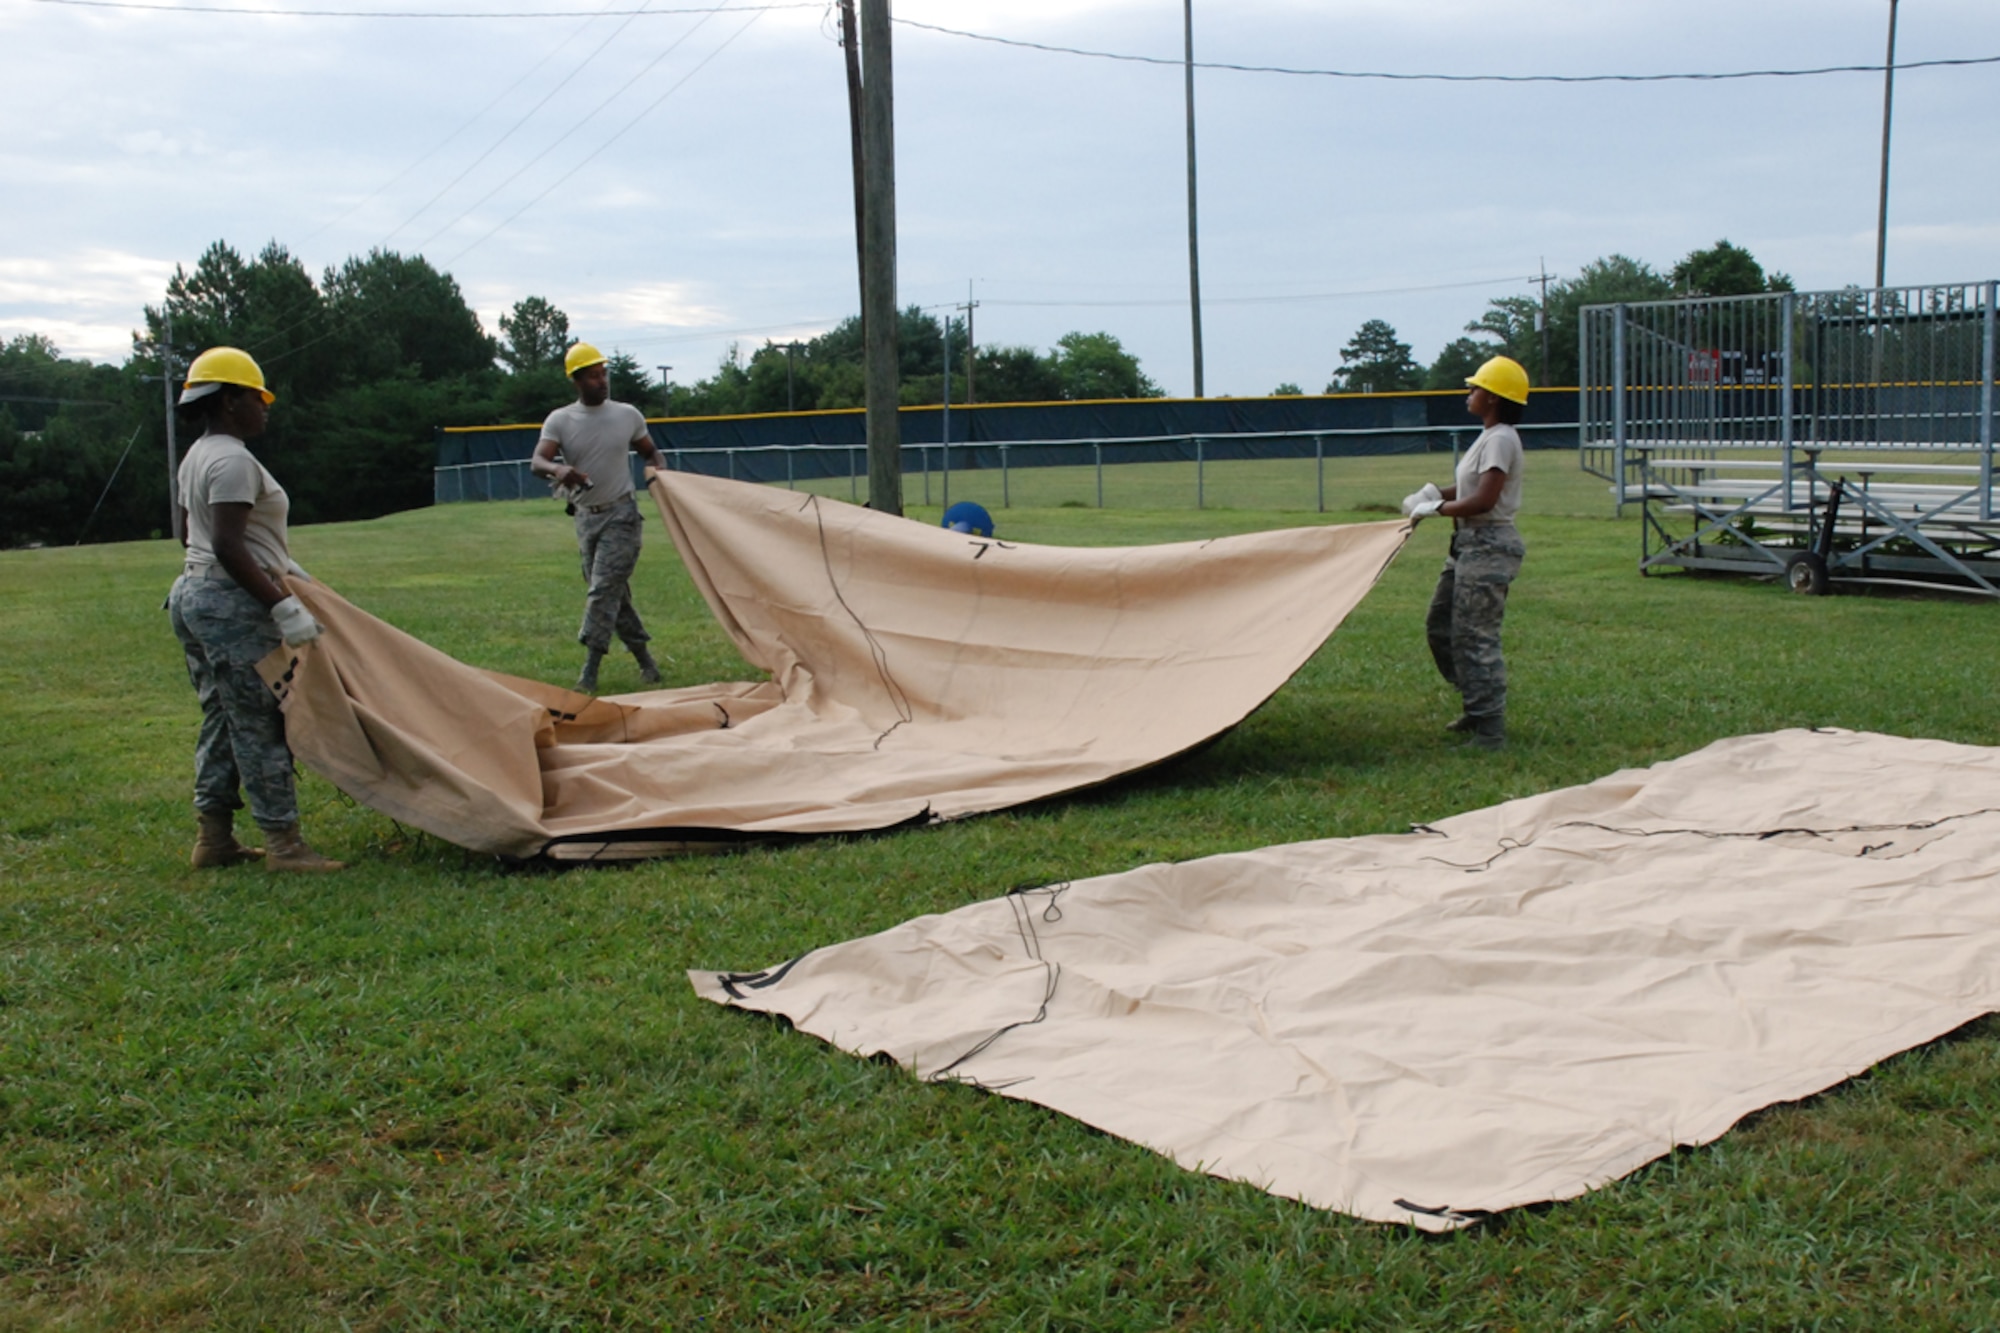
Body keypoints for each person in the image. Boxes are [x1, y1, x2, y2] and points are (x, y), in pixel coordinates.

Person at [167, 346, 343, 871]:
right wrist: (281, 604)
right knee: (260, 721)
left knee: (221, 717)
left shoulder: (197, 456)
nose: (265, 407)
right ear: (228, 402)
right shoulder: (233, 461)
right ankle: (284, 845)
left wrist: (281, 564)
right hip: (229, 602)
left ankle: (214, 838)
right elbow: (227, 544)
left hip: (193, 595)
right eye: (257, 397)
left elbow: (188, 535)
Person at [1402, 354, 1529, 751]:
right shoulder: (1489, 437)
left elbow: (1486, 501)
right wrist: (1436, 494)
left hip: (1489, 545)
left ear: (1493, 397)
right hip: (1466, 547)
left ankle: (1490, 728)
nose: (1469, 394)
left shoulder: (1502, 438)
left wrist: (1434, 510)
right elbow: (1472, 489)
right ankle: (1476, 705)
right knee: (1440, 626)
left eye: (1475, 388)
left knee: (1475, 637)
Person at [530, 342, 666, 693]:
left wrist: (659, 477)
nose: (602, 381)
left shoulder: (627, 415)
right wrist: (559, 471)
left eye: (603, 373)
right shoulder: (560, 420)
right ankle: (646, 662)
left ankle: (589, 671)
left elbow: (651, 451)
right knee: (612, 595)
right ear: (576, 380)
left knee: (602, 590)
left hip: (622, 515)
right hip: (586, 517)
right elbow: (538, 463)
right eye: (593, 376)